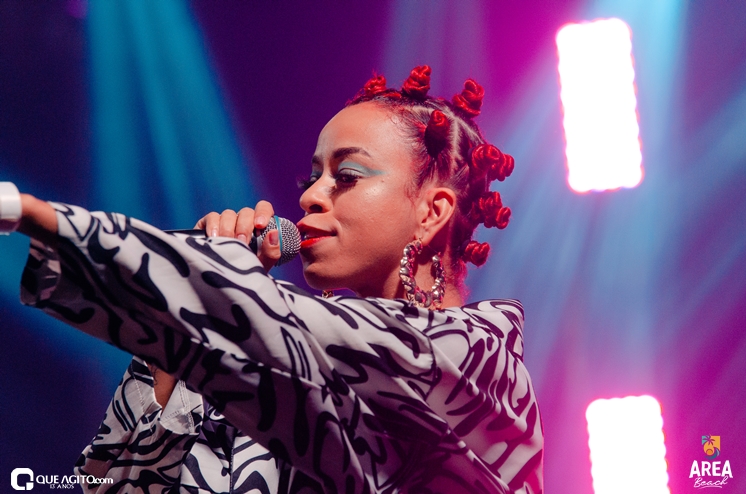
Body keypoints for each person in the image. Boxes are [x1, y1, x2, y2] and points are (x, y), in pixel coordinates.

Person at [3, 66, 543, 493]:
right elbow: (107, 486)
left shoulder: (476, 360)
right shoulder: (252, 389)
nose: (310, 195)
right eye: (313, 177)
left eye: (346, 176)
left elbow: (280, 331)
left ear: (431, 212)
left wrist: (29, 212)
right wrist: (171, 356)